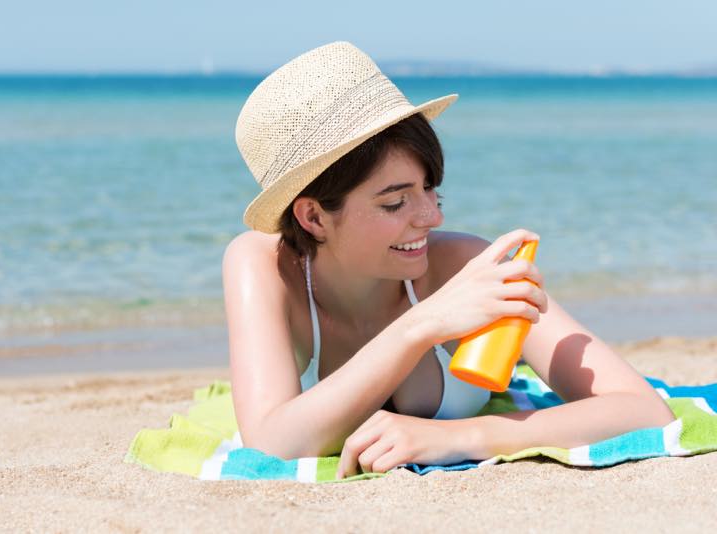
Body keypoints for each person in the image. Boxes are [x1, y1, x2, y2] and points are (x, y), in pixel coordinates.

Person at [222, 41, 675, 479]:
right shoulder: (262, 267)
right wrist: (423, 325)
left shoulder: (465, 265)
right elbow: (271, 445)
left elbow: (643, 410)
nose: (432, 216)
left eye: (431, 189)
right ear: (314, 217)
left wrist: (456, 437)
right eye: (395, 203)